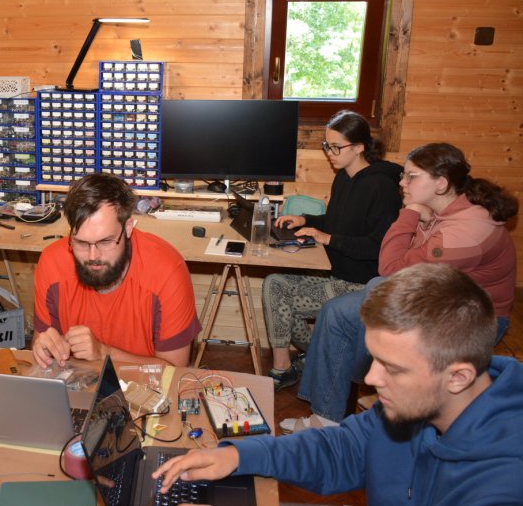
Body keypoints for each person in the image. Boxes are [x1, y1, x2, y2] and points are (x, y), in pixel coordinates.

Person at [154, 263, 523, 504]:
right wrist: (238, 455)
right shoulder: (414, 406)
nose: (371, 379)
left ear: (458, 376)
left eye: (392, 368)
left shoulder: (503, 484)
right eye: (373, 357)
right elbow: (341, 449)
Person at [294, 142, 518, 428]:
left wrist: (411, 213)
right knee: (335, 313)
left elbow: (389, 269)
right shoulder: (444, 209)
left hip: (473, 320)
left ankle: (369, 380)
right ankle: (325, 419)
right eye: (404, 175)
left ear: (441, 184)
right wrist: (422, 217)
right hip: (438, 298)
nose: (402, 183)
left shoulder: (467, 231)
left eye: (411, 176)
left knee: (377, 287)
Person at [263, 110, 401, 390]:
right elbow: (339, 223)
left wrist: (327, 238)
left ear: (360, 147)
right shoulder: (344, 178)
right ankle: (295, 363)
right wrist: (306, 220)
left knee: (278, 289)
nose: (330, 153)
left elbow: (378, 247)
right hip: (336, 275)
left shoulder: (381, 187)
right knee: (275, 284)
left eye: (336, 147)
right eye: (327, 146)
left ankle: (302, 363)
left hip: (361, 285)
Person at [32, 173, 202, 368]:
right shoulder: (51, 262)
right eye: (81, 243)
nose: (93, 256)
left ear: (128, 227)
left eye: (105, 241)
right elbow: (43, 349)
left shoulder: (167, 271)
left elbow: (174, 371)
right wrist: (44, 349)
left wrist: (104, 353)